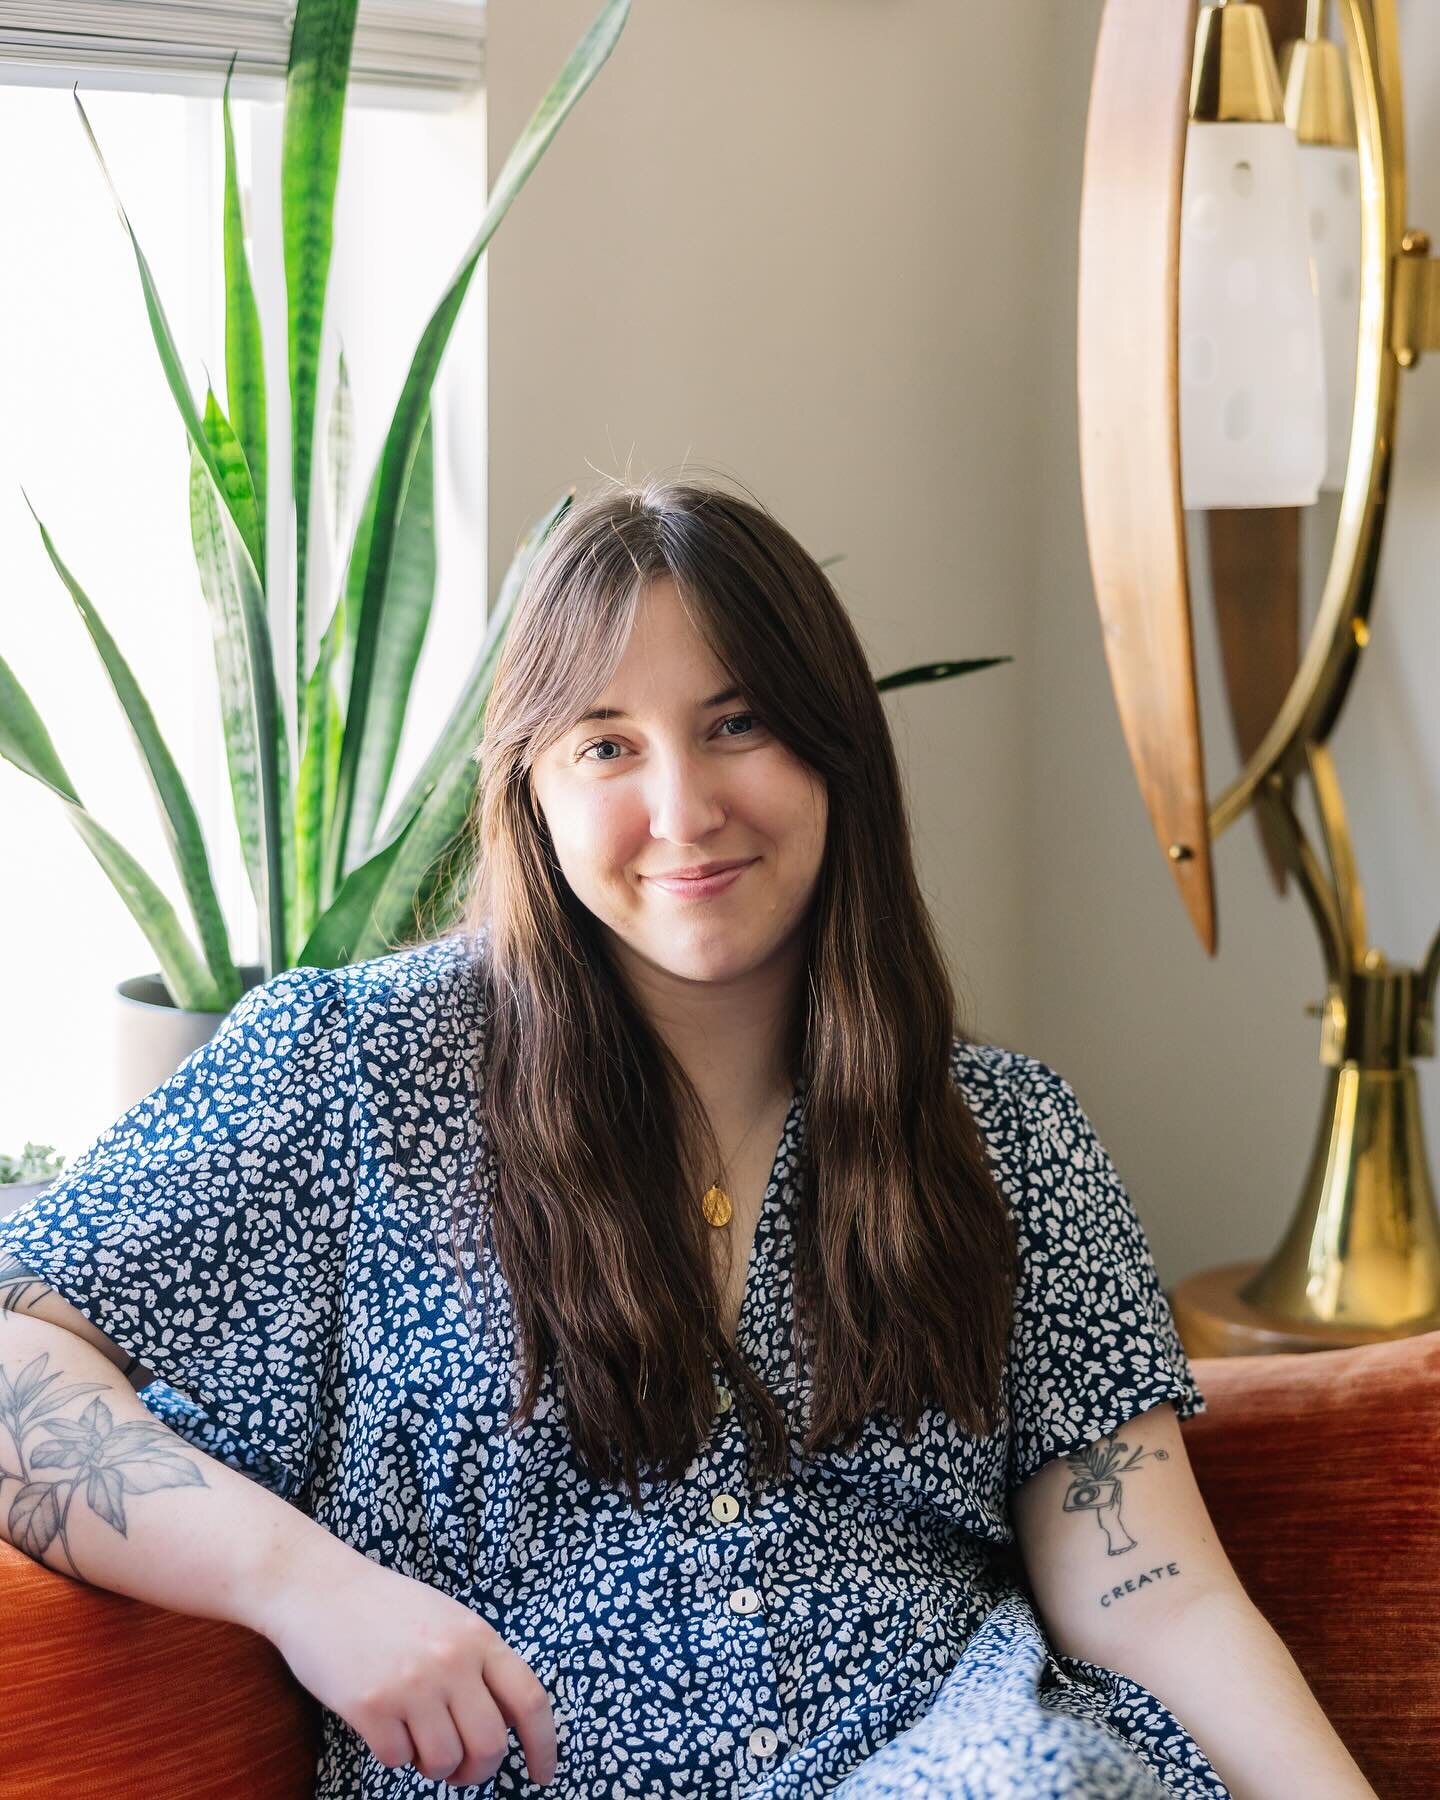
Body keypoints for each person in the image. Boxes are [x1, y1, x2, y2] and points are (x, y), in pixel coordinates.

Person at [0, 476, 1377, 1800]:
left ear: (837, 750)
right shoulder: (351, 1069)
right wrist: (307, 1590)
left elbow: (1157, 1598)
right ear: (531, 789)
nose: (682, 809)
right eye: (606, 745)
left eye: (737, 725)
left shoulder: (1005, 1134)